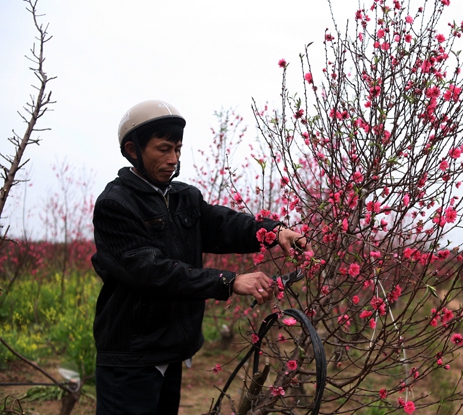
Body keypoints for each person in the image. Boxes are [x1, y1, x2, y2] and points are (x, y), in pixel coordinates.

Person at [91, 99, 308, 415]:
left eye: (177, 149)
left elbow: (223, 225)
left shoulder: (184, 197)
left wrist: (275, 232)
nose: (173, 158)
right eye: (163, 149)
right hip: (131, 357)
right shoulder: (116, 204)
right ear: (133, 149)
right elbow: (149, 271)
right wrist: (229, 282)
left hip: (173, 349)